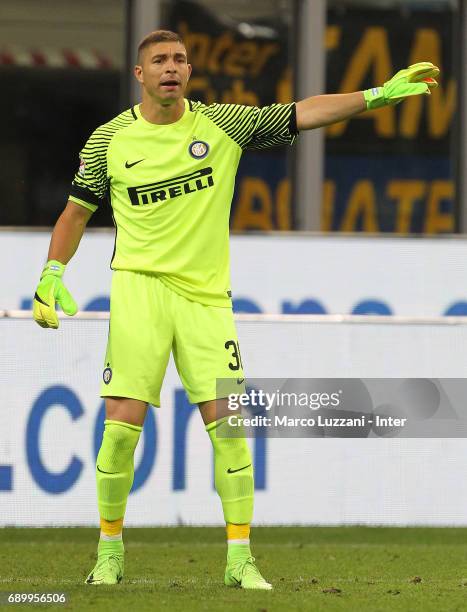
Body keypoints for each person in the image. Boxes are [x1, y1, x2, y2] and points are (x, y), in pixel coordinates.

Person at [32, 29, 439, 589]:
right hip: (139, 292)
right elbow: (76, 212)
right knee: (121, 430)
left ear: (189, 72)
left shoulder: (223, 124)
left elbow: (302, 113)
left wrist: (374, 97)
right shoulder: (109, 142)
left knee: (229, 429)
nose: (171, 67)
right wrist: (52, 272)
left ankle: (240, 558)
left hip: (205, 300)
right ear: (140, 74)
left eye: (179, 59)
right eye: (159, 60)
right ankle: (109, 553)